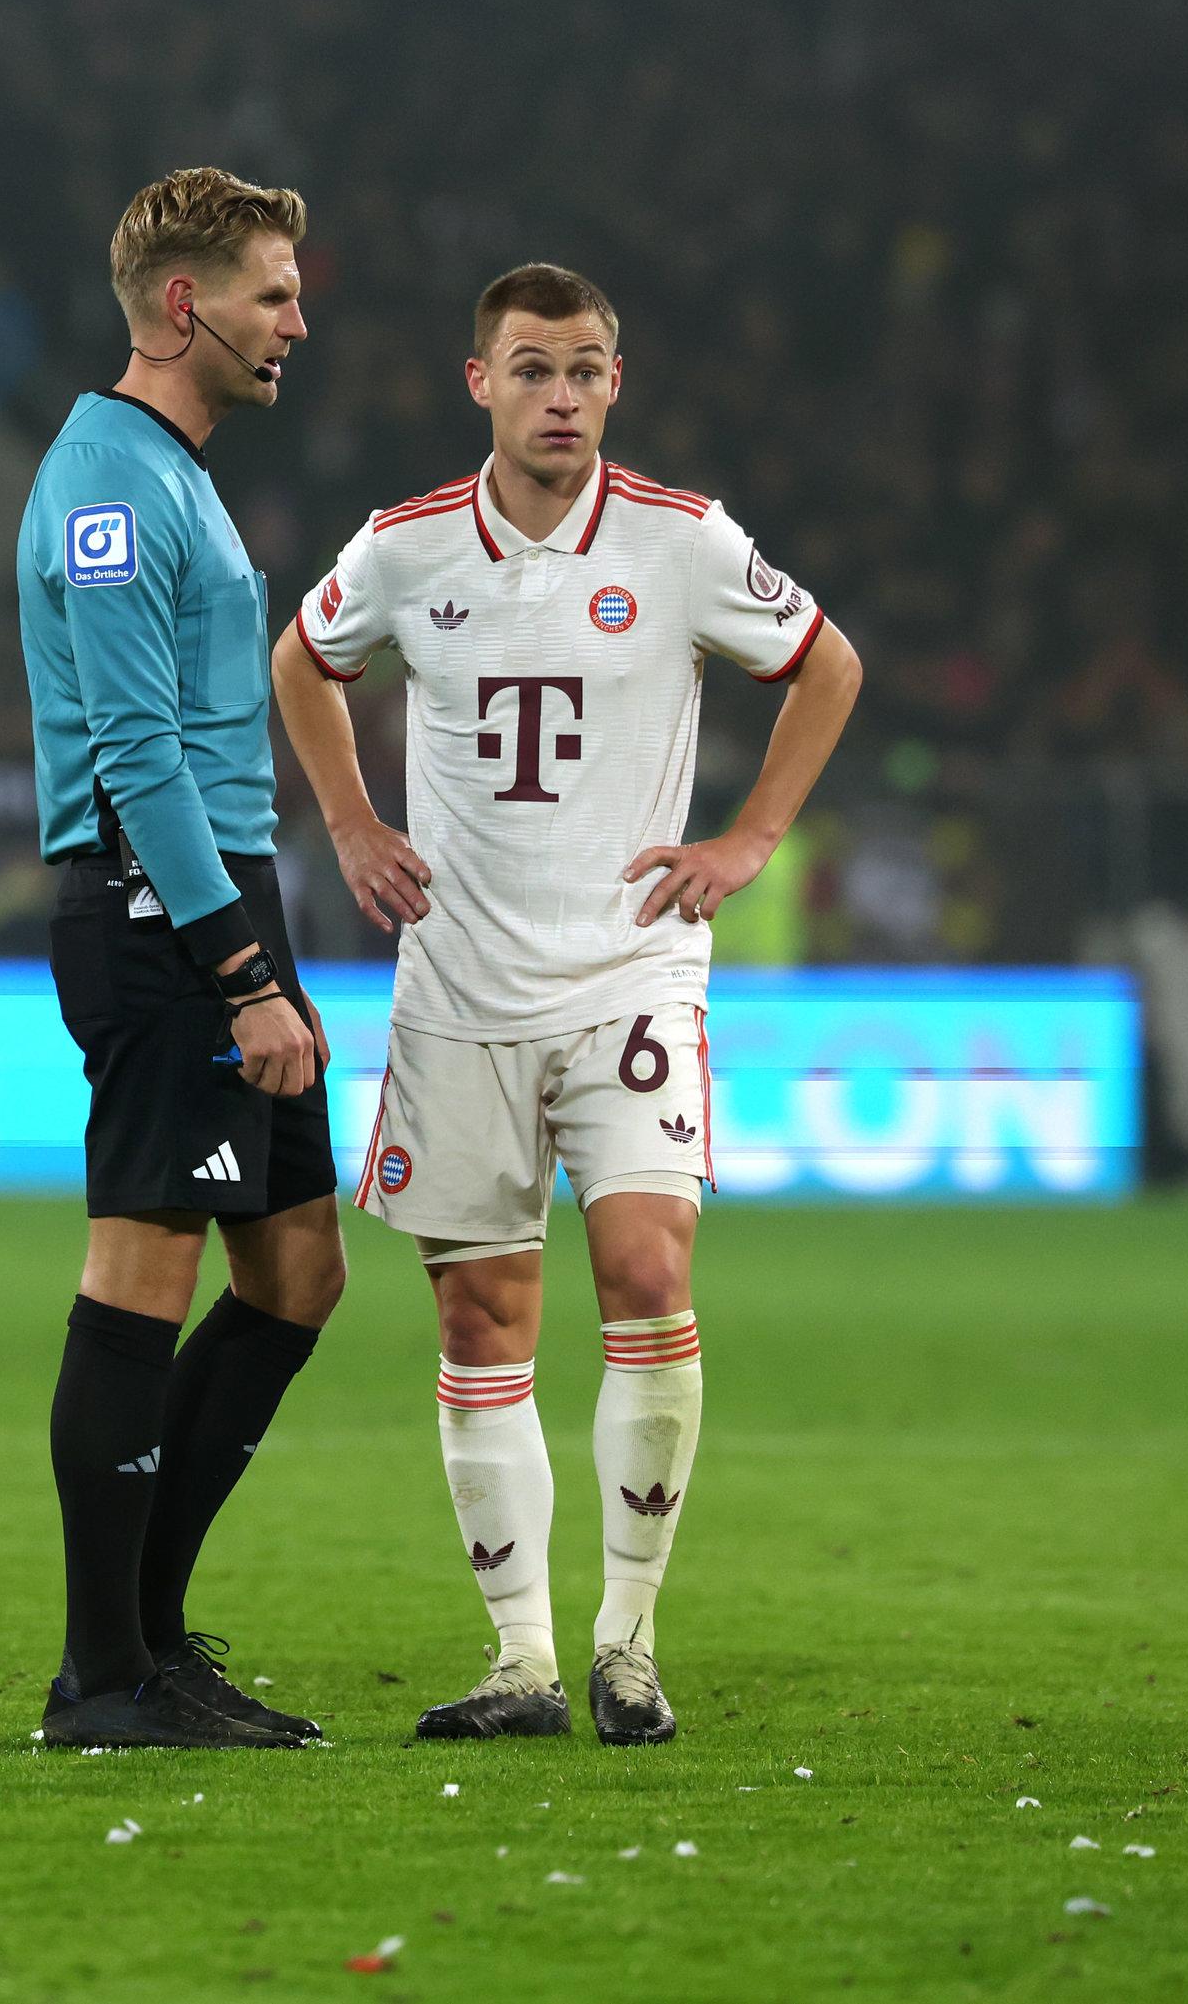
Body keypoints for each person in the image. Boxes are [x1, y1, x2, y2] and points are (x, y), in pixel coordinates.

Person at [271, 263, 862, 1745]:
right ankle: (521, 1659)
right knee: (482, 1310)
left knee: (649, 1273)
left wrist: (750, 841)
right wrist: (348, 823)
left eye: (588, 369)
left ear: (617, 383)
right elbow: (303, 655)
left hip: (629, 972)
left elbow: (826, 663)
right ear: (480, 382)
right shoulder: (407, 550)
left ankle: (631, 1644)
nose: (564, 395)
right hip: (460, 980)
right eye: (534, 368)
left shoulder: (679, 541)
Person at [14, 168, 343, 1750]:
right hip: (158, 916)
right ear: (181, 305)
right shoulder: (107, 488)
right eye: (274, 293)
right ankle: (102, 1673)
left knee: (297, 1274)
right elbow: (137, 755)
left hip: (222, 898)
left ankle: (153, 1631)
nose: (298, 321)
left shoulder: (175, 471)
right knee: (142, 1267)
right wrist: (239, 973)